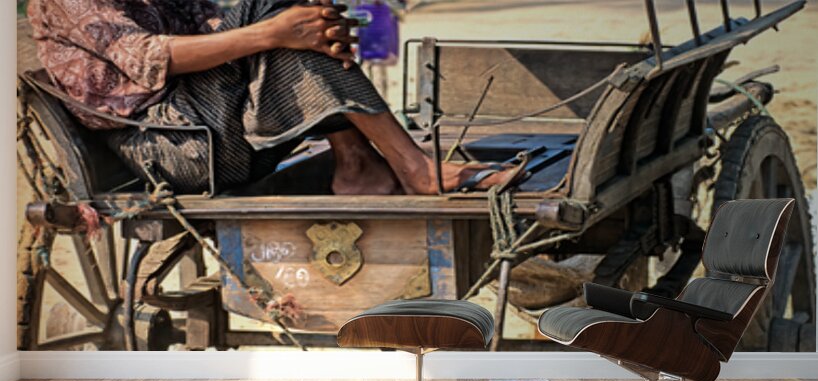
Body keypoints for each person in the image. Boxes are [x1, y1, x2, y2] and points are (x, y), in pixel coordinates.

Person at [28, 0, 518, 195]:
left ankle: (359, 165)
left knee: (286, 20)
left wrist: (301, 28)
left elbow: (216, 27)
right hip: (173, 145)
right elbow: (150, 59)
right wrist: (275, 31)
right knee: (278, 19)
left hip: (208, 125)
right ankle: (408, 168)